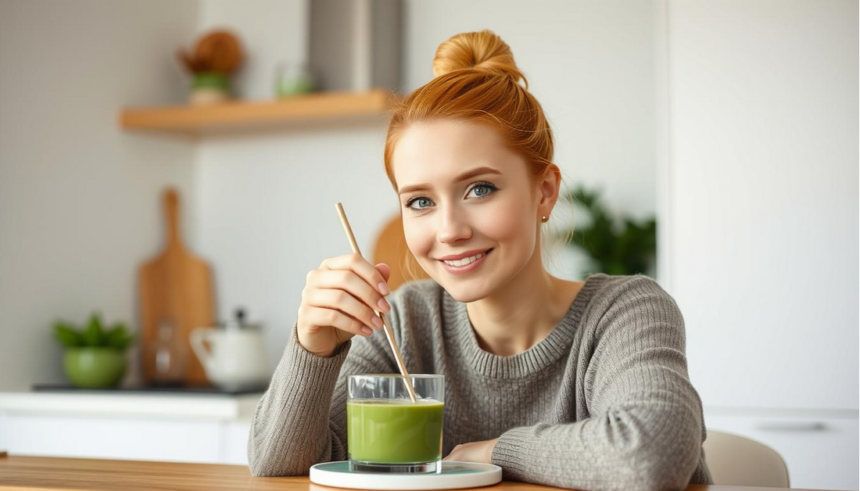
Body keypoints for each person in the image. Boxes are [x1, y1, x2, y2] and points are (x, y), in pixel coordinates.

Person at [247, 29, 713, 490]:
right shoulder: (405, 321)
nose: (449, 230)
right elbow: (276, 464)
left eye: (480, 189)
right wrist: (313, 347)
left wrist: (493, 453)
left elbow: (649, 456)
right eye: (420, 202)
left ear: (544, 191)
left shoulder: (623, 314)